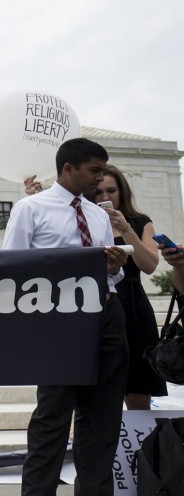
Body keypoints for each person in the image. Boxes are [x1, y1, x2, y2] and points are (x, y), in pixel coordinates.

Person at [0, 138, 139, 496]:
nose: (100, 179)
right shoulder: (30, 208)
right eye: (94, 170)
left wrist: (115, 264)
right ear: (68, 169)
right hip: (57, 317)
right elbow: (13, 268)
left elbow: (110, 274)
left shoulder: (98, 216)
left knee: (104, 409)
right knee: (53, 411)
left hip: (107, 312)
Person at [93, 165, 166, 409]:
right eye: (98, 192)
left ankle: (140, 444)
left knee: (139, 384)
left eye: (111, 190)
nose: (105, 198)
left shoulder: (140, 222)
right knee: (97, 388)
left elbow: (150, 265)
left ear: (122, 191)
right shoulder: (86, 223)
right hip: (98, 303)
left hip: (133, 305)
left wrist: (125, 229)